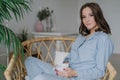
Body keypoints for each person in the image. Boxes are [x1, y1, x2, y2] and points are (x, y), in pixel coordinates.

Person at [25, 2, 114, 80]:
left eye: (91, 15)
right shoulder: (81, 37)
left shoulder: (103, 39)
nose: (86, 20)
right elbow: (71, 57)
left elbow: (99, 71)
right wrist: (60, 65)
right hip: (64, 72)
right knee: (29, 60)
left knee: (40, 77)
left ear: (97, 15)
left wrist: (73, 73)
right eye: (83, 17)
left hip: (77, 77)